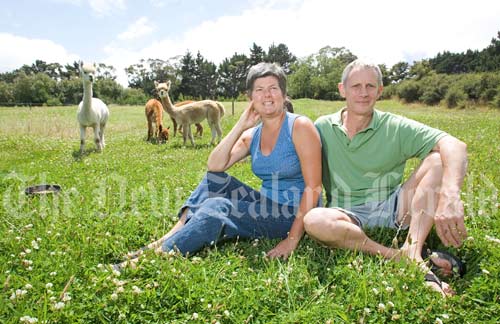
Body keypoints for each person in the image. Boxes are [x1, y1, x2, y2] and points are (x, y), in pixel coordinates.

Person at [114, 62, 322, 270]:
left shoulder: (300, 127)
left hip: (292, 214)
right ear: (251, 98)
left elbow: (313, 188)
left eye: (273, 88)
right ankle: (168, 237)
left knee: (217, 207)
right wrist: (241, 125)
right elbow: (215, 166)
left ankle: (153, 258)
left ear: (284, 95)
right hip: (265, 204)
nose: (267, 95)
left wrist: (292, 240)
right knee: (214, 181)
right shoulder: (252, 135)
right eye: (259, 90)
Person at [303, 59, 468, 297]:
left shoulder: (394, 126)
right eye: (356, 86)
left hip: (395, 208)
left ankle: (413, 247)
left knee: (437, 160)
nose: (363, 93)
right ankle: (400, 256)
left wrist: (451, 194)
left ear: (380, 91)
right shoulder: (322, 127)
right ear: (342, 89)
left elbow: (455, 145)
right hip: (345, 213)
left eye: (370, 86)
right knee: (315, 220)